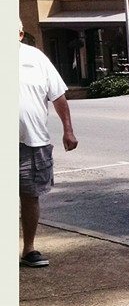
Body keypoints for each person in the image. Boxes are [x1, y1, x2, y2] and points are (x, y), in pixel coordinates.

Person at [19, 20, 78, 268]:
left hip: (32, 141)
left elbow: (58, 96)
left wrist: (68, 130)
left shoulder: (36, 58)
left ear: (20, 33)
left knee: (30, 196)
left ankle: (29, 249)